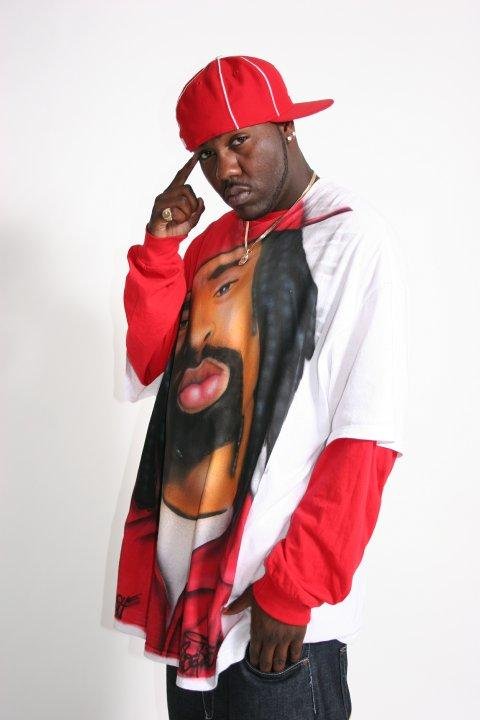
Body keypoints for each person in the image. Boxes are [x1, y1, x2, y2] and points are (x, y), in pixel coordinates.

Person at [114, 55, 408, 719]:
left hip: (278, 614)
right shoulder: (216, 241)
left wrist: (294, 589)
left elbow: (365, 432)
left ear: (287, 128)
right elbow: (152, 361)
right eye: (207, 153)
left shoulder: (350, 237)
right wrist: (161, 251)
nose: (224, 170)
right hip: (194, 608)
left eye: (240, 141)